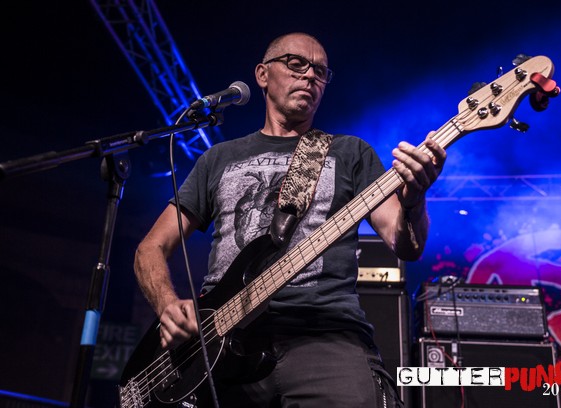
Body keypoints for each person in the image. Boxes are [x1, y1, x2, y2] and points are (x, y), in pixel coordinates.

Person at [133, 32, 446, 407]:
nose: (310, 75)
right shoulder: (218, 158)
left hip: (326, 335)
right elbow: (151, 247)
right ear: (262, 75)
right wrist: (167, 305)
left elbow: (406, 245)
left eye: (320, 71)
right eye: (297, 64)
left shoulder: (350, 153)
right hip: (219, 344)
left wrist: (415, 201)